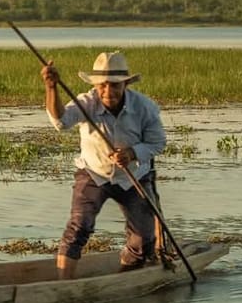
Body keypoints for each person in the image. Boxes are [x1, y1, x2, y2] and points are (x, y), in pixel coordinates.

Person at [42, 51, 166, 280]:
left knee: (143, 237)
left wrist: (131, 153)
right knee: (79, 226)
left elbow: (157, 143)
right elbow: (61, 121)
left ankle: (126, 277)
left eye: (115, 86)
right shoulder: (86, 102)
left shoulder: (144, 107)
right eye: (103, 86)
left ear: (126, 84)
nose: (108, 92)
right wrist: (52, 88)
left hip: (133, 176)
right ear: (96, 85)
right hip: (94, 173)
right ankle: (63, 285)